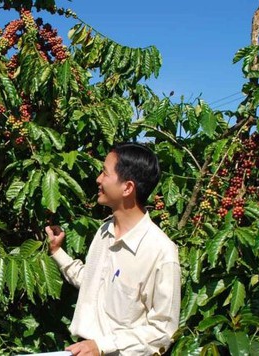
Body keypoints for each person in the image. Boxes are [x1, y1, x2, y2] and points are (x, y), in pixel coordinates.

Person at [46, 142, 181, 355]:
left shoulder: (160, 252)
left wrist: (103, 346)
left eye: (105, 173)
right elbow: (92, 282)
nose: (98, 179)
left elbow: (163, 330)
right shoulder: (104, 231)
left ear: (127, 187)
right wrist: (57, 252)